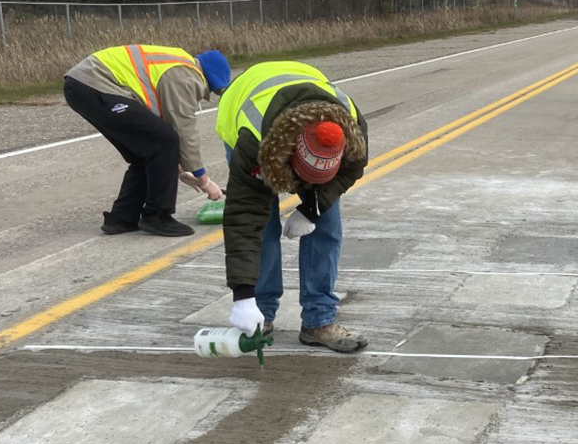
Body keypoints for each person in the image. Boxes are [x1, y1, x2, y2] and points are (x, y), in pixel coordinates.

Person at [216, 61, 369, 353]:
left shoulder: (353, 132)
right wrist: (242, 296)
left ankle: (319, 320)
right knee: (264, 225)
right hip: (246, 117)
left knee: (327, 224)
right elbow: (243, 219)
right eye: (302, 179)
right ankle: (259, 311)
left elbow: (351, 171)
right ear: (289, 158)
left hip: (297, 100)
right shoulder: (252, 142)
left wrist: (312, 208)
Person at [64, 44, 232, 236]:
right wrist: (204, 179)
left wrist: (179, 170)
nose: (204, 94)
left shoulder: (176, 65)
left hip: (82, 86)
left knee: (145, 150)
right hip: (95, 84)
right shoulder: (188, 75)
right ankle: (157, 216)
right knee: (166, 141)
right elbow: (183, 129)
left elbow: (159, 133)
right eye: (211, 89)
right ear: (211, 77)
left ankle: (122, 218)